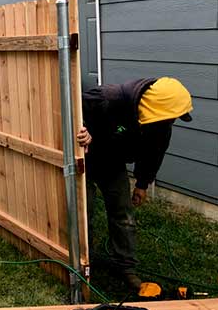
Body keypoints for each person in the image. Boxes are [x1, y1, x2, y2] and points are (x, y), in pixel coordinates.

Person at [76, 77, 193, 290]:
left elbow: (154, 153)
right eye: (171, 118)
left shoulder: (162, 123)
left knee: (123, 214)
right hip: (85, 159)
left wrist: (142, 183)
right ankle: (83, 262)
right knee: (85, 211)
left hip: (112, 162)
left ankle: (126, 266)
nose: (171, 123)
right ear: (154, 108)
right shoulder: (107, 99)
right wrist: (83, 130)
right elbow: (73, 112)